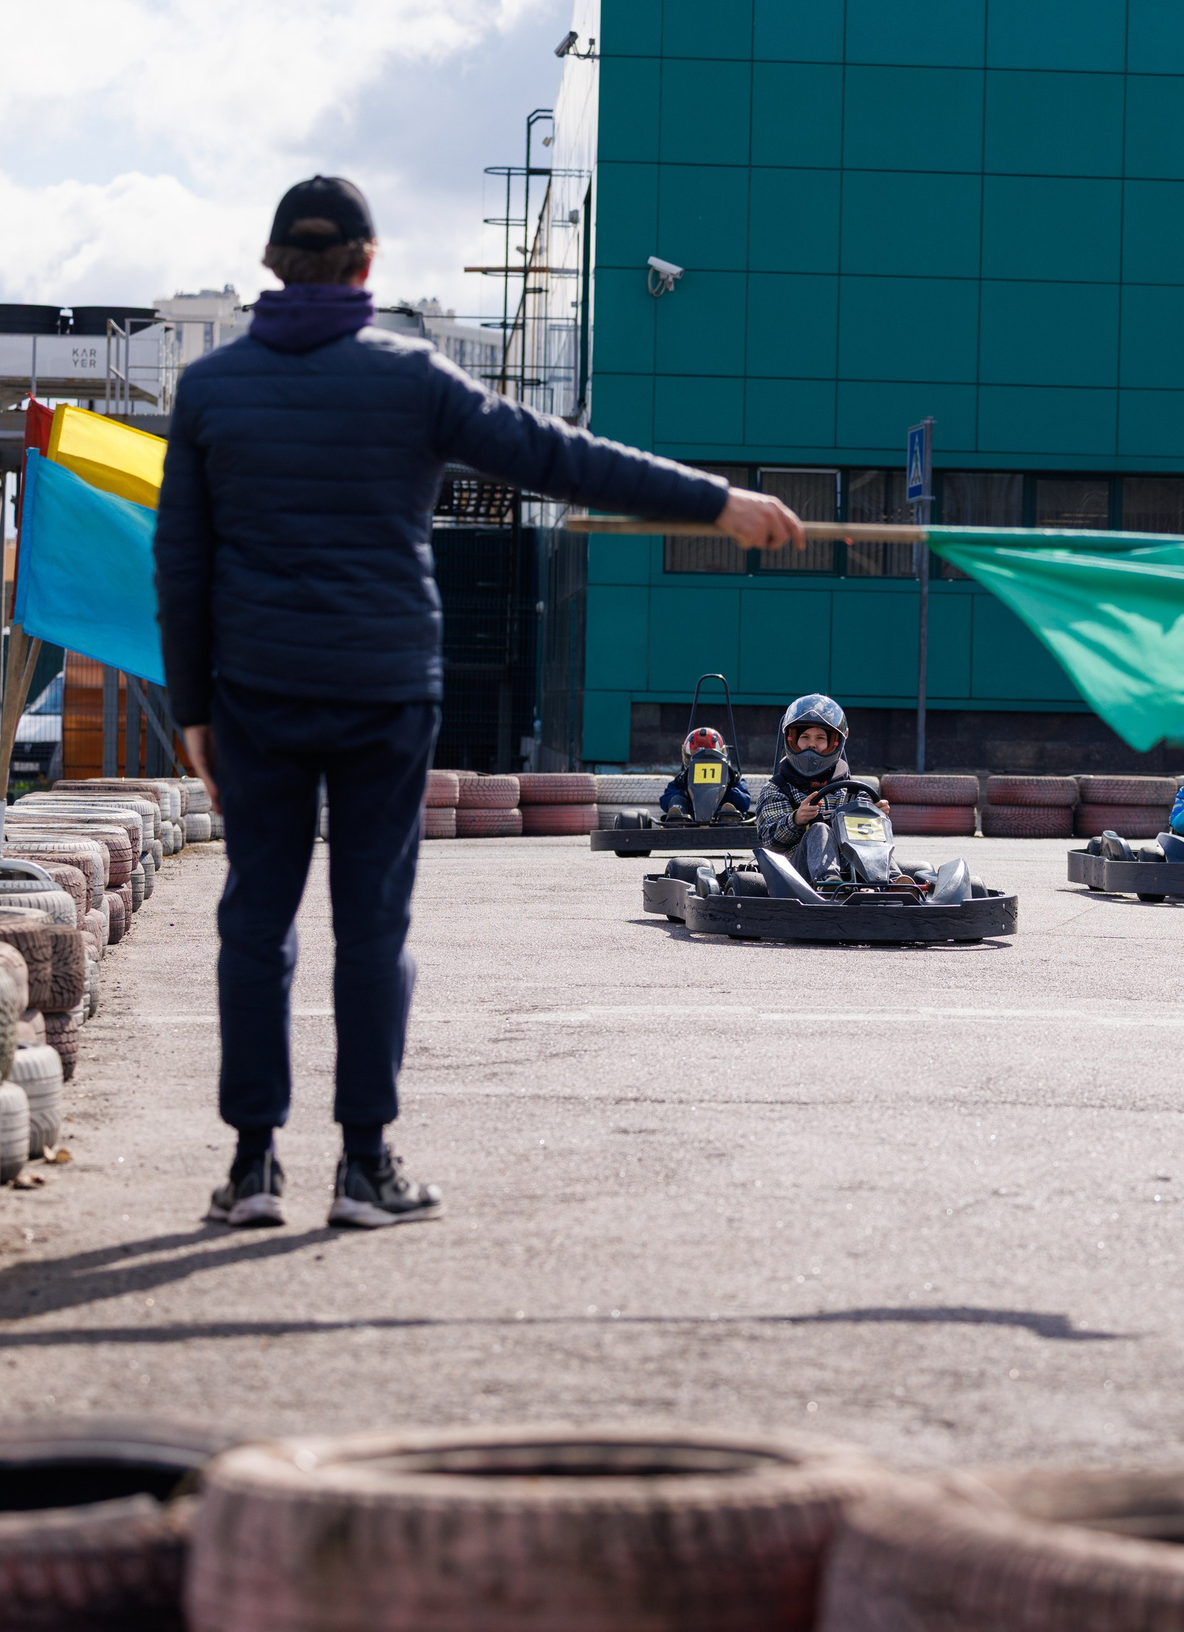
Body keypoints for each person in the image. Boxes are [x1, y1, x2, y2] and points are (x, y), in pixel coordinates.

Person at [157, 175, 805, 1231]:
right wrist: (716, 501)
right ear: (367, 266)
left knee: (255, 922)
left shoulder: (213, 390)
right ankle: (364, 1168)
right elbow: (561, 455)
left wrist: (192, 707)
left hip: (256, 696)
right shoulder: (411, 380)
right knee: (371, 927)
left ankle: (252, 1167)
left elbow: (180, 561)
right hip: (381, 694)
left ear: (276, 264)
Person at [755, 695, 852, 850]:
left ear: (835, 742)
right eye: (805, 737)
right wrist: (796, 819)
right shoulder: (778, 789)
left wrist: (876, 814)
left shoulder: (851, 791)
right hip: (796, 866)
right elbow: (769, 839)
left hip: (848, 860)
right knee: (819, 829)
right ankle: (827, 875)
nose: (812, 744)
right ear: (791, 740)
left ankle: (894, 875)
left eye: (820, 738)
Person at [659, 726, 751, 820]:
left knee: (726, 806)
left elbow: (744, 803)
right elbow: (664, 800)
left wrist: (727, 790)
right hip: (690, 817)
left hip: (718, 818)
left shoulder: (733, 779)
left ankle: (727, 817)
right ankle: (678, 818)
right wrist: (686, 792)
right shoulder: (682, 780)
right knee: (676, 800)